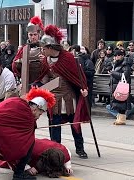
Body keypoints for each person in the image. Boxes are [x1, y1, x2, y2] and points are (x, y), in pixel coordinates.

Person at [35, 25, 90, 159]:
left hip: (68, 96)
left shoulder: (68, 58)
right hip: (53, 97)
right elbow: (43, 77)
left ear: (50, 48)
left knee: (74, 123)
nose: (42, 50)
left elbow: (78, 75)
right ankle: (56, 150)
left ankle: (80, 148)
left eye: (44, 48)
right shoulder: (46, 60)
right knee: (54, 123)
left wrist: (83, 88)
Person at [0, 87, 56, 180]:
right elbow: (27, 134)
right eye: (39, 114)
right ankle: (19, 174)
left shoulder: (17, 101)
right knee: (30, 142)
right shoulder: (28, 117)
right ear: (35, 109)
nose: (38, 117)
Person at [0, 138, 72, 178]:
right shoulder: (32, 151)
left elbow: (68, 155)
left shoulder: (64, 153)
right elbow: (13, 158)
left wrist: (67, 166)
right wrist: (26, 168)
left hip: (36, 149)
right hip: (19, 150)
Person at [12, 16, 44, 83]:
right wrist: (21, 62)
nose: (33, 37)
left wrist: (45, 61)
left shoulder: (45, 47)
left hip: (42, 81)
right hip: (27, 80)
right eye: (31, 35)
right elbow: (14, 66)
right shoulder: (23, 49)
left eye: (35, 34)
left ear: (39, 34)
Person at [109, 50, 132, 125]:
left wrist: (113, 73)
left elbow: (125, 75)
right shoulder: (115, 64)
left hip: (122, 87)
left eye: (118, 55)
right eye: (115, 56)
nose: (116, 57)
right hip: (116, 86)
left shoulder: (125, 64)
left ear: (122, 55)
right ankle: (119, 118)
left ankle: (122, 120)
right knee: (117, 103)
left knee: (122, 103)